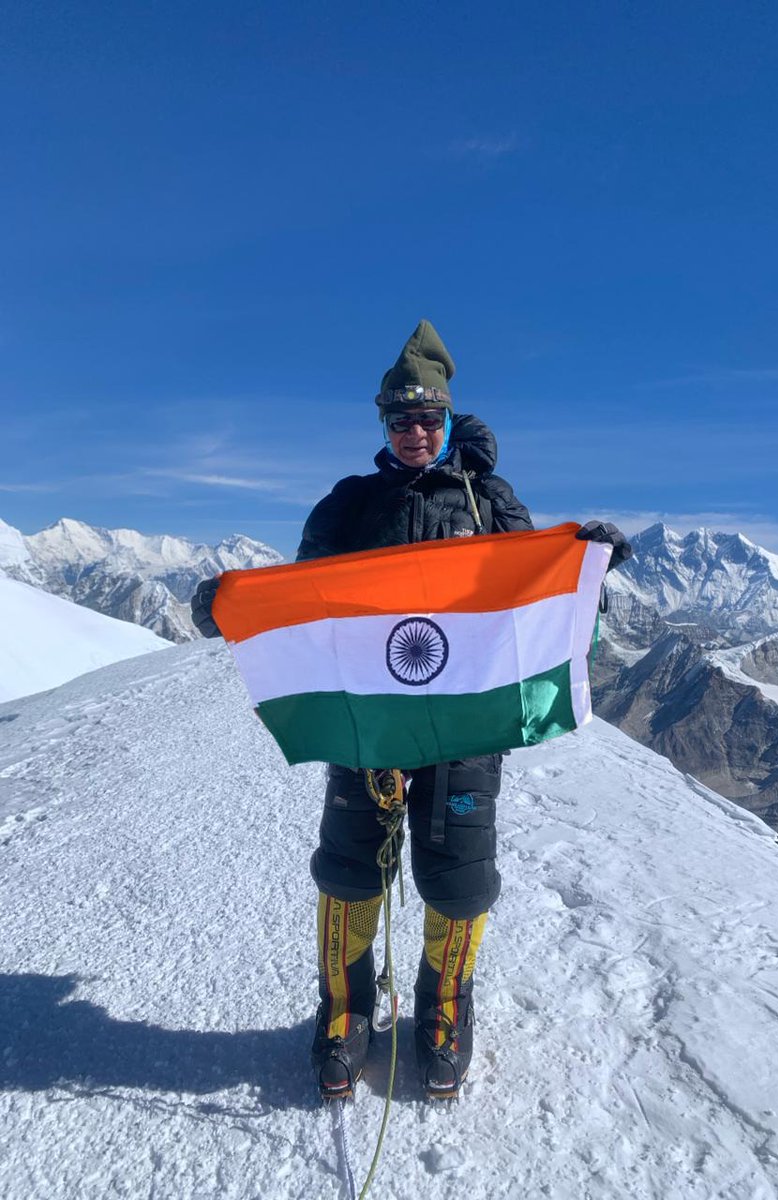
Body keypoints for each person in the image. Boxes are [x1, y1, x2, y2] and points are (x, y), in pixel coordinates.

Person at [190, 320, 632, 1101]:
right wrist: (230, 609)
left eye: (430, 418)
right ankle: (344, 1010)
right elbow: (300, 606)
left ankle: (445, 1009)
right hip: (370, 721)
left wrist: (587, 564)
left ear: (450, 419)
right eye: (402, 419)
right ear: (383, 425)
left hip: (465, 724)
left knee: (460, 880)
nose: (417, 432)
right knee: (348, 872)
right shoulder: (349, 504)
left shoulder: (489, 499)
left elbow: (528, 600)